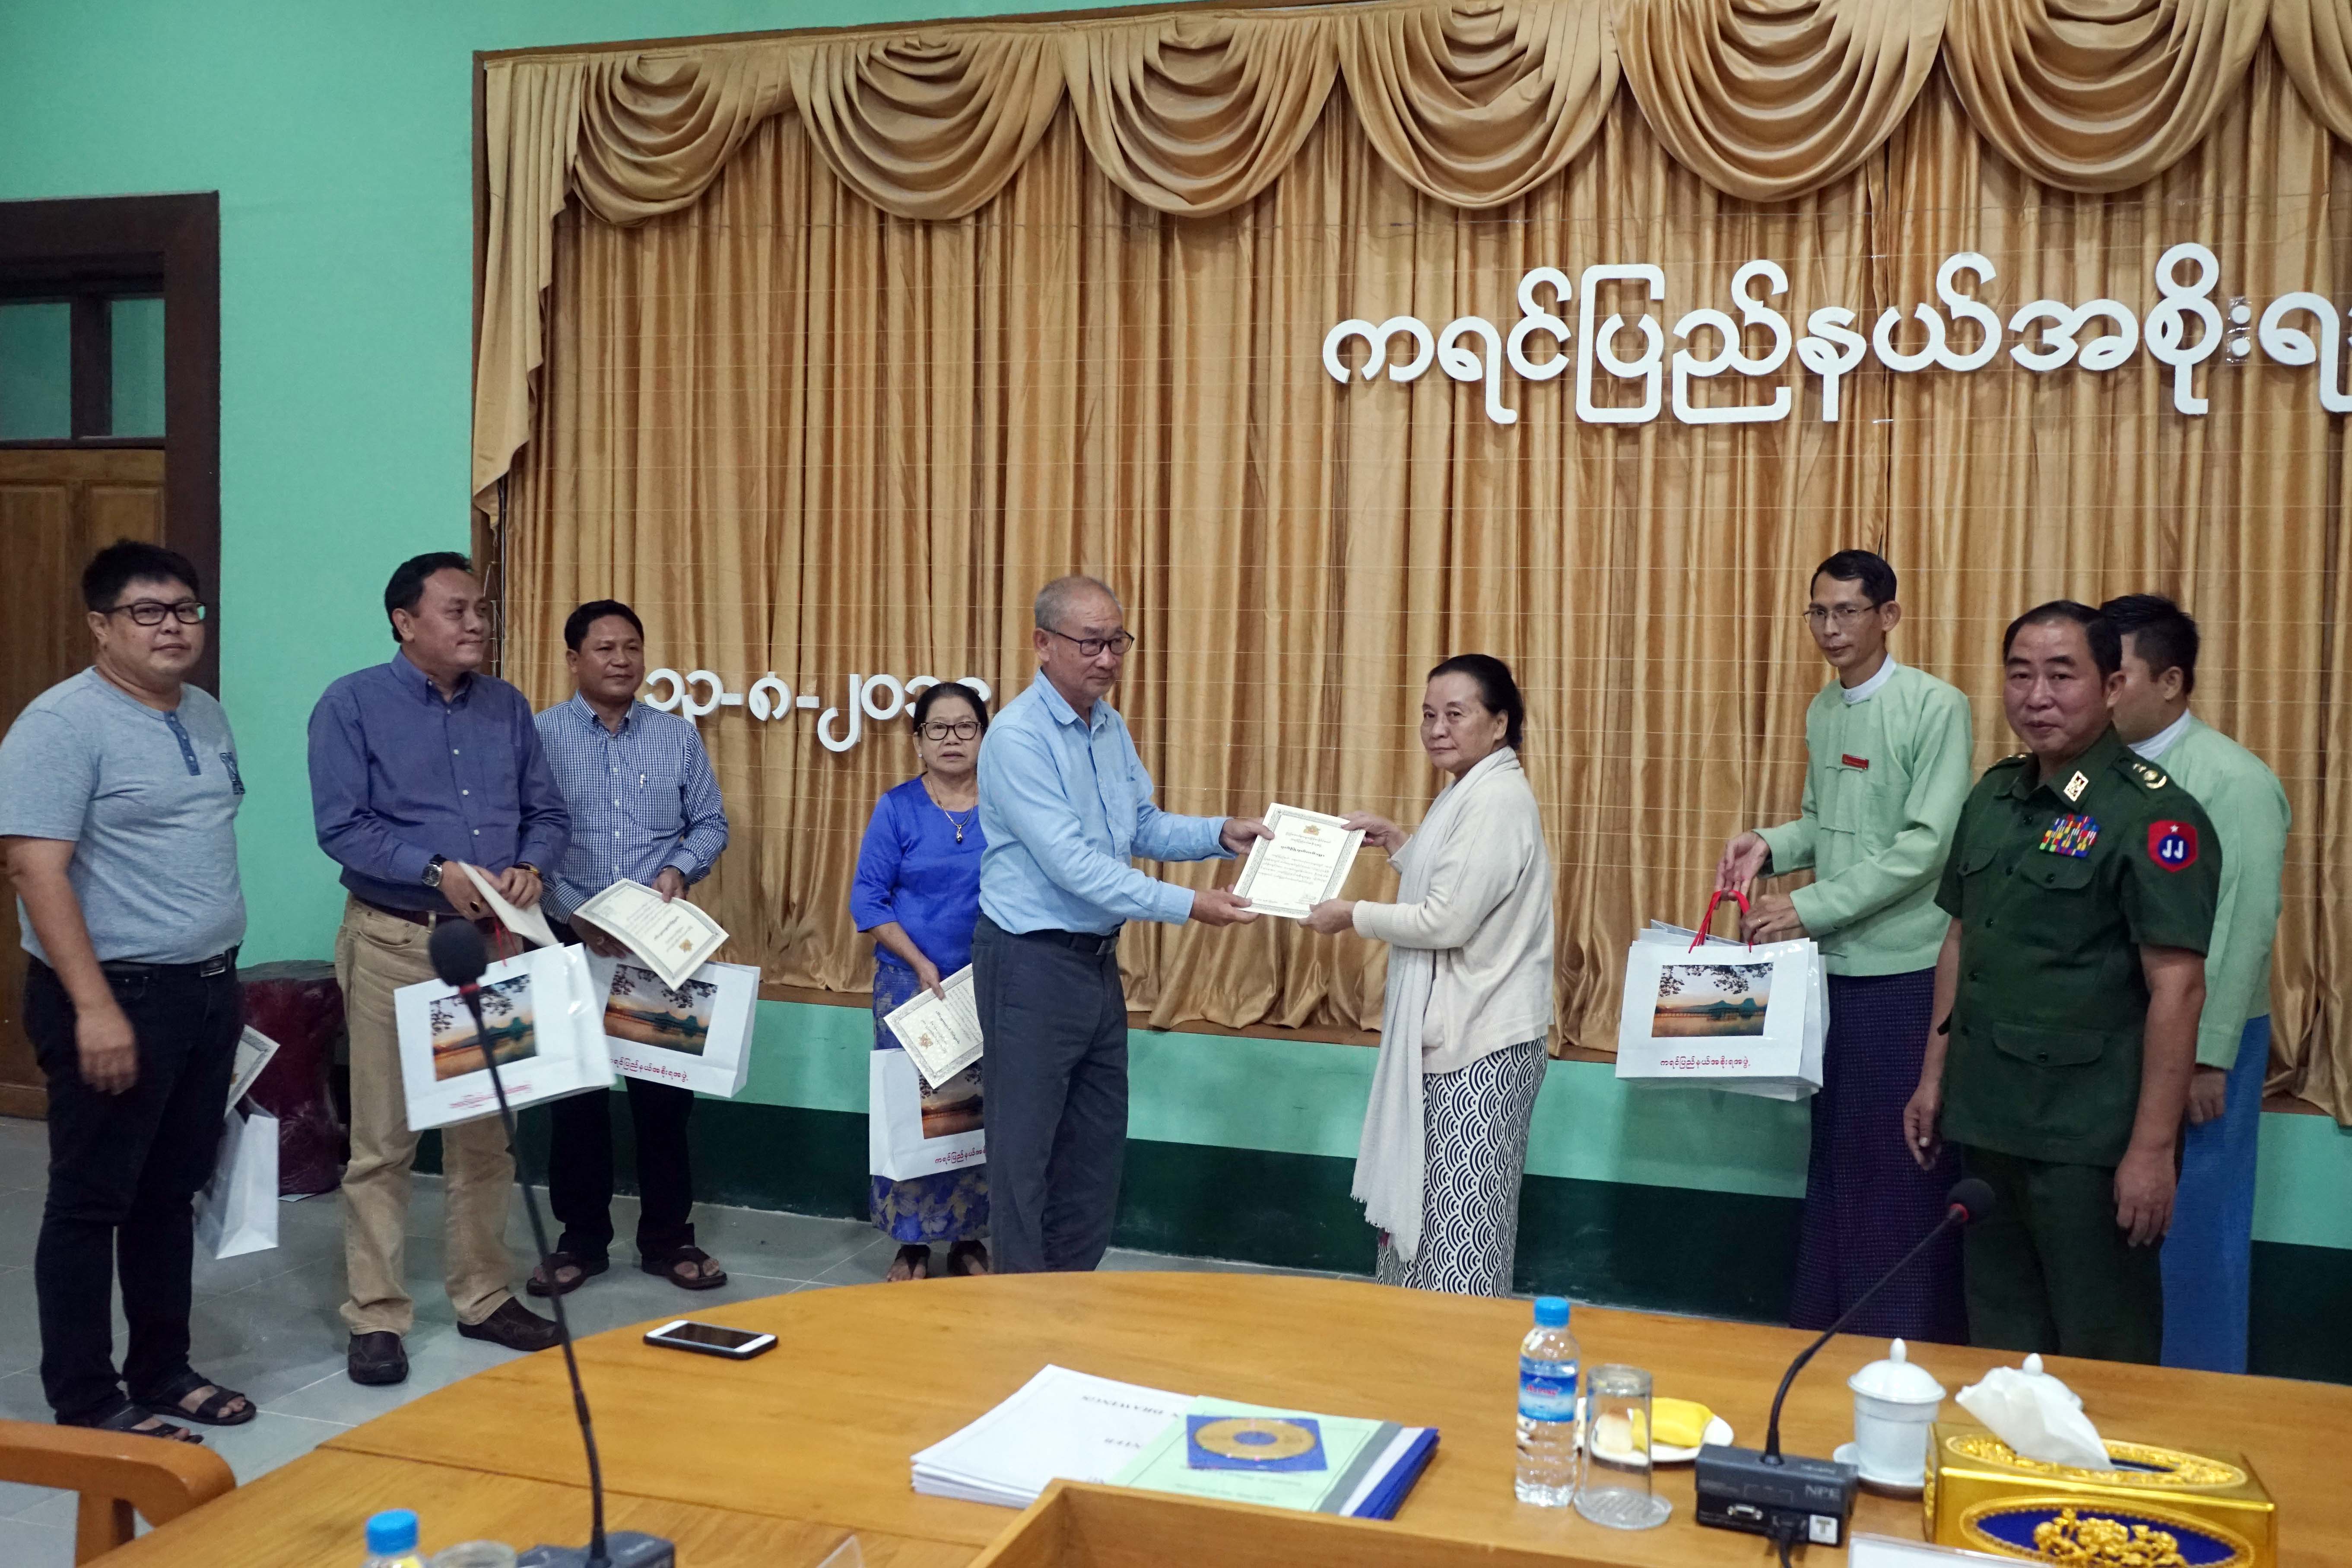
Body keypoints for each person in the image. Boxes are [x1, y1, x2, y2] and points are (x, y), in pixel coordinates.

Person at [1905, 602, 2219, 1363]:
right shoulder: (1993, 797)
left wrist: (2151, 1150)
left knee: (2100, 1352)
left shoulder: (2152, 814)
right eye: (2019, 675)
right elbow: (1960, 939)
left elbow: (2177, 988)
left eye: (2060, 675)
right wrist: (1932, 1078)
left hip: (2087, 1139)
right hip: (1989, 1120)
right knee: (1999, 1347)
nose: (2036, 696)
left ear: (2111, 686)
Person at [0, 541, 252, 1442]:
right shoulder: (61, 725)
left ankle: (162, 1369)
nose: (172, 627)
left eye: (185, 609)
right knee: (90, 1200)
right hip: (114, 996)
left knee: (168, 1192)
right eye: (147, 612)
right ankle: (86, 1398)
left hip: (207, 992)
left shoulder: (205, 712)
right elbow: (34, 868)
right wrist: (95, 1008)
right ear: (101, 626)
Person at [309, 552, 570, 1385]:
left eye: (480, 609)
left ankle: (484, 1295)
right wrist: (434, 872)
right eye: (456, 610)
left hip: (494, 947)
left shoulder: (506, 706)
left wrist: (531, 864)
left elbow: (547, 812)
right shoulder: (351, 704)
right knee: (384, 1142)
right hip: (398, 942)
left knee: (486, 1138)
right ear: (404, 621)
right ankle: (376, 1314)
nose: (476, 623)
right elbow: (341, 826)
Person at [974, 575, 1268, 1274]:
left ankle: (1072, 1294)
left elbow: (1139, 826)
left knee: (1095, 1147)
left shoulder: (1107, 725)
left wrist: (1220, 833)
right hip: (1029, 964)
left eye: (1117, 642)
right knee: (1023, 1156)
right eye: (1091, 643)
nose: (1107, 658)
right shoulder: (1017, 737)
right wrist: (1190, 905)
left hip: (1096, 963)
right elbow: (1074, 866)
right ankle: (1018, 1306)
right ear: (1042, 643)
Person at [1715, 551, 1974, 1343]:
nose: (1830, 629)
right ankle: (1825, 1328)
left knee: (1898, 1165)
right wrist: (1769, 843)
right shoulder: (1824, 708)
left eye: (1847, 612)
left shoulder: (1935, 706)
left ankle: (1898, 1336)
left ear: (1887, 616)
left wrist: (1806, 908)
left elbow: (1925, 847)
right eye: (1818, 612)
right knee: (1834, 1160)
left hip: (1905, 972)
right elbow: (1823, 823)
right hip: (1832, 972)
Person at [1304, 656, 1554, 1297]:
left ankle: (1456, 1353)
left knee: (1460, 1230)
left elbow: (1446, 919)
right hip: (1462, 1034)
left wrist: (1351, 914)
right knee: (1429, 1217)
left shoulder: (1494, 799)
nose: (1437, 729)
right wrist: (1398, 842)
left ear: (1499, 723)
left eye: (1455, 714)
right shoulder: (1471, 788)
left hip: (1482, 1042)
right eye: (1428, 714)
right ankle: (1415, 1346)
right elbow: (1456, 882)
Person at [2099, 594, 2290, 1374]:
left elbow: (2244, 923)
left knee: (2192, 1225)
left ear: (2171, 681)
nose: (2101, 692)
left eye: (2117, 676)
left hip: (2206, 1037)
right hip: (2124, 1025)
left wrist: (2207, 1056)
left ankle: (2198, 1388)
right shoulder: (2101, 774)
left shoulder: (2232, 780)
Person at [530, 600, 731, 1297]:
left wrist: (679, 869)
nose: (621, 660)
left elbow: (710, 823)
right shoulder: (539, 736)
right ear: (573, 659)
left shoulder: (676, 736)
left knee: (664, 1098)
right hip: (567, 935)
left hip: (657, 944)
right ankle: (580, 1242)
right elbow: (526, 838)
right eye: (605, 648)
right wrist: (571, 911)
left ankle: (668, 1239)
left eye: (632, 647)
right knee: (575, 1096)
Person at [852, 682, 993, 1280]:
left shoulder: (1008, 807)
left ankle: (968, 1237)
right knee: (913, 1116)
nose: (952, 739)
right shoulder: (897, 808)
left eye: (965, 727)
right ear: (918, 741)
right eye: (938, 728)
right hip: (910, 987)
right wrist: (918, 961)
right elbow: (868, 900)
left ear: (984, 736)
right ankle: (910, 1243)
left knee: (976, 1115)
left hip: (987, 986)